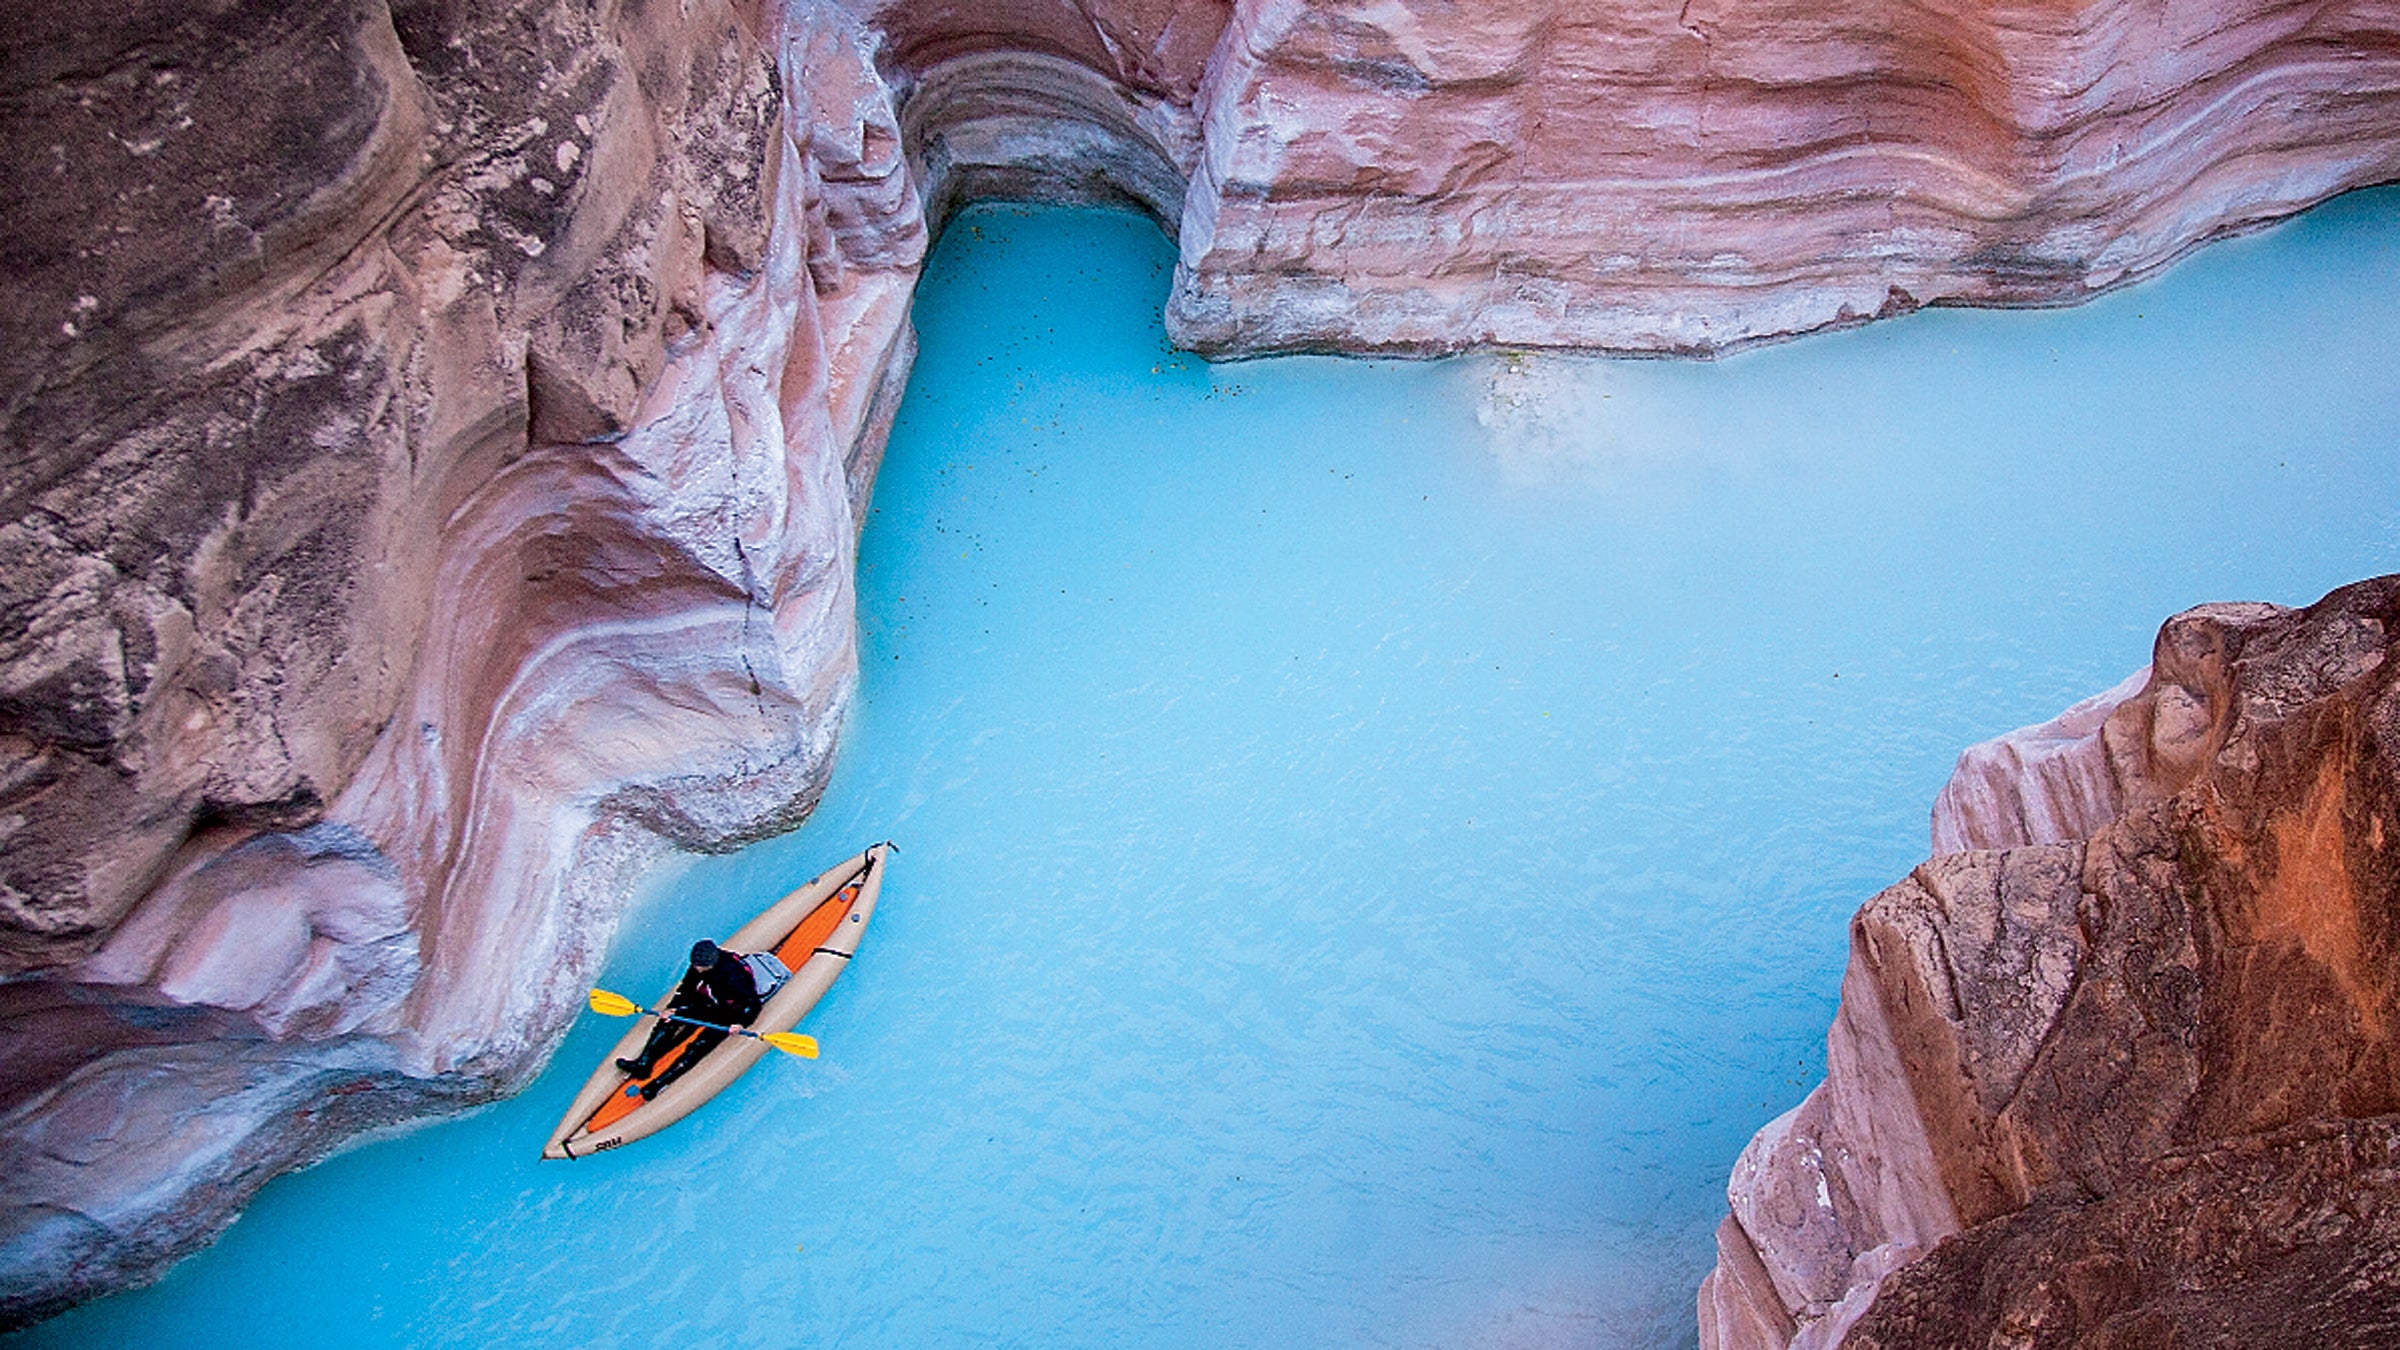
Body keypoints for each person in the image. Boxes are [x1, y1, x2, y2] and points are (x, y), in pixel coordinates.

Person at [615, 940, 771, 1100]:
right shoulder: (697, 967)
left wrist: (741, 1023)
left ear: (709, 964)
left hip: (730, 1013)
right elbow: (685, 990)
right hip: (707, 1004)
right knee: (668, 1022)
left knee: (698, 1046)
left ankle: (659, 1084)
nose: (694, 968)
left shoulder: (733, 975)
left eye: (698, 965)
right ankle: (643, 1064)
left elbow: (752, 1004)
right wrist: (672, 1008)